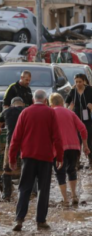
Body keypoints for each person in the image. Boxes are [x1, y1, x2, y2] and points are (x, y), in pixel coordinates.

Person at [9, 90, 63, 232]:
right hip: (45, 158)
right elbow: (57, 137)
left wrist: (12, 157)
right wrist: (60, 157)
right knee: (43, 190)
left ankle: (19, 219)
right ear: (45, 101)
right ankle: (41, 221)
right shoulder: (51, 113)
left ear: (33, 100)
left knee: (24, 188)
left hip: (28, 157)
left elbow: (16, 138)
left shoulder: (25, 113)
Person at [49, 93, 89, 206]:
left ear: (51, 104)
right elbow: (83, 129)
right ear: (62, 102)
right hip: (73, 147)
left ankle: (66, 200)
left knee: (60, 173)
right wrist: (85, 145)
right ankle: (74, 195)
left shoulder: (50, 113)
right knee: (71, 170)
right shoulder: (71, 113)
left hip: (57, 149)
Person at [65, 74, 92, 169]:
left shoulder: (89, 89)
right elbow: (66, 101)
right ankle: (77, 162)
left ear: (84, 81)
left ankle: (91, 163)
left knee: (88, 141)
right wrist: (67, 108)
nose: (78, 84)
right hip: (76, 119)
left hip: (88, 119)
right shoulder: (73, 91)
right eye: (76, 82)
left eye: (80, 81)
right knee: (77, 142)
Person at [0, 97, 25, 202]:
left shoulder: (6, 111)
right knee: (28, 168)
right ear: (22, 104)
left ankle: (7, 195)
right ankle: (30, 193)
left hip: (11, 143)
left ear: (11, 104)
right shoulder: (26, 110)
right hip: (26, 144)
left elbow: (0, 127)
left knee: (7, 169)